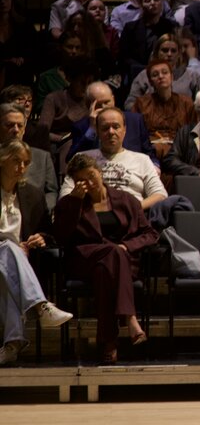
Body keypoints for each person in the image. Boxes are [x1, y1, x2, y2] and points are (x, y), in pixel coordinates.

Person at [54, 152, 157, 364]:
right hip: (84, 260)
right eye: (82, 180)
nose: (89, 183)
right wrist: (75, 202)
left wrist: (127, 246)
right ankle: (130, 318)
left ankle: (108, 343)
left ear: (100, 172)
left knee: (105, 269)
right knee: (112, 253)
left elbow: (150, 234)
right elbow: (61, 237)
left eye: (91, 175)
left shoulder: (126, 199)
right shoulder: (69, 203)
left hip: (118, 263)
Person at [0, 140, 73, 367]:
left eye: (26, 163)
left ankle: (12, 344)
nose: (22, 167)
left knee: (5, 275)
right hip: (11, 254)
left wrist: (40, 237)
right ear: (2, 161)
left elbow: (47, 231)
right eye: (16, 161)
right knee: (9, 247)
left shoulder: (32, 194)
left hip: (15, 264)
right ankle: (41, 305)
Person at [69, 82, 154, 163]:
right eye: (98, 104)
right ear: (88, 105)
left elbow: (149, 153)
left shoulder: (135, 120)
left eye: (106, 102)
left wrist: (155, 165)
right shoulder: (81, 126)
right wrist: (92, 129)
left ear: (113, 99)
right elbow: (72, 160)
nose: (104, 107)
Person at [130, 58, 198, 161]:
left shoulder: (186, 102)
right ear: (150, 82)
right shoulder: (142, 103)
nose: (161, 76)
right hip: (150, 152)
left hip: (180, 151)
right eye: (155, 75)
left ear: (172, 77)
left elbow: (195, 131)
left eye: (165, 72)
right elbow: (135, 132)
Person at [0, 104, 58, 211]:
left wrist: (41, 210)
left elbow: (51, 192)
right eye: (9, 125)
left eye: (20, 126)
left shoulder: (42, 157)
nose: (16, 130)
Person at [125, 34, 200, 111]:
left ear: (179, 54)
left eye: (173, 51)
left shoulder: (192, 76)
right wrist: (149, 111)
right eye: (165, 50)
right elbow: (129, 104)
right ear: (157, 52)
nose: (169, 54)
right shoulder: (144, 75)